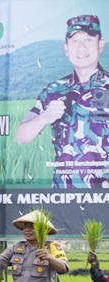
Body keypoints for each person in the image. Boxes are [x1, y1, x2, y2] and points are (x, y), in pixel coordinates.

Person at [16, 15, 109, 188]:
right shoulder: (53, 91)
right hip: (61, 197)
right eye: (74, 41)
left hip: (103, 196)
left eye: (88, 40)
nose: (81, 47)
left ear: (100, 45)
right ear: (66, 49)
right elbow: (21, 136)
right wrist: (45, 117)